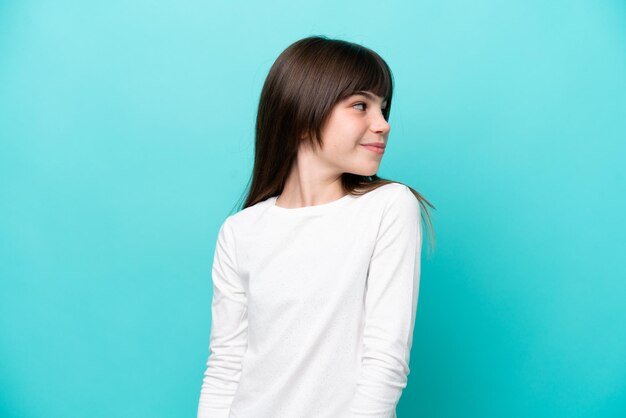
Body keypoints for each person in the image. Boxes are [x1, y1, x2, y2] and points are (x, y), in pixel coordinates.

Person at [197, 35, 435, 418]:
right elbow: (226, 367)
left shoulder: (388, 207)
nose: (383, 124)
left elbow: (385, 360)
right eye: (361, 105)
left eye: (383, 109)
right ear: (302, 118)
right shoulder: (240, 232)